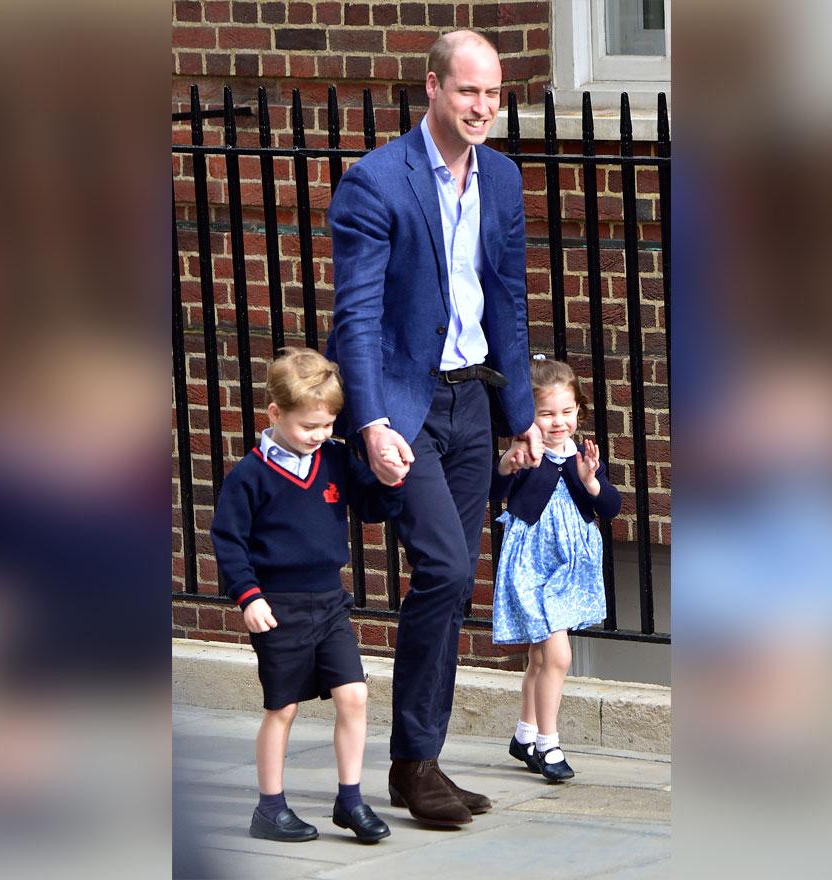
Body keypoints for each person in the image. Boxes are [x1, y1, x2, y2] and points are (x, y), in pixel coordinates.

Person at [325, 29, 543, 827]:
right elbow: (356, 315)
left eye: (493, 93)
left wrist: (520, 416)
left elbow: (508, 300)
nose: (483, 106)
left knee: (450, 590)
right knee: (447, 570)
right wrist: (372, 421)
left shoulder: (507, 180)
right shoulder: (376, 182)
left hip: (473, 404)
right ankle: (413, 765)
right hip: (406, 408)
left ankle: (420, 762)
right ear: (433, 89)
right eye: (468, 91)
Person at [210, 347, 403, 844]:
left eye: (327, 426)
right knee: (283, 708)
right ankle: (269, 808)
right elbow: (228, 540)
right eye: (308, 426)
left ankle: (351, 800)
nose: (318, 436)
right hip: (278, 606)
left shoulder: (335, 458)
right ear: (275, 414)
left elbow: (371, 505)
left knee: (354, 694)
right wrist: (249, 597)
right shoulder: (250, 476)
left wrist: (391, 480)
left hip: (329, 602)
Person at [490, 356, 622, 782]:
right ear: (530, 415)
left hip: (570, 567)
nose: (558, 422)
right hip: (533, 565)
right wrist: (509, 464)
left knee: (539, 657)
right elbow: (497, 490)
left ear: (578, 411)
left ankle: (524, 735)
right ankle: (548, 744)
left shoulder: (582, 455)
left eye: (567, 412)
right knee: (558, 657)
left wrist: (592, 482)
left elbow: (611, 508)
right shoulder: (527, 454)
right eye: (546, 413)